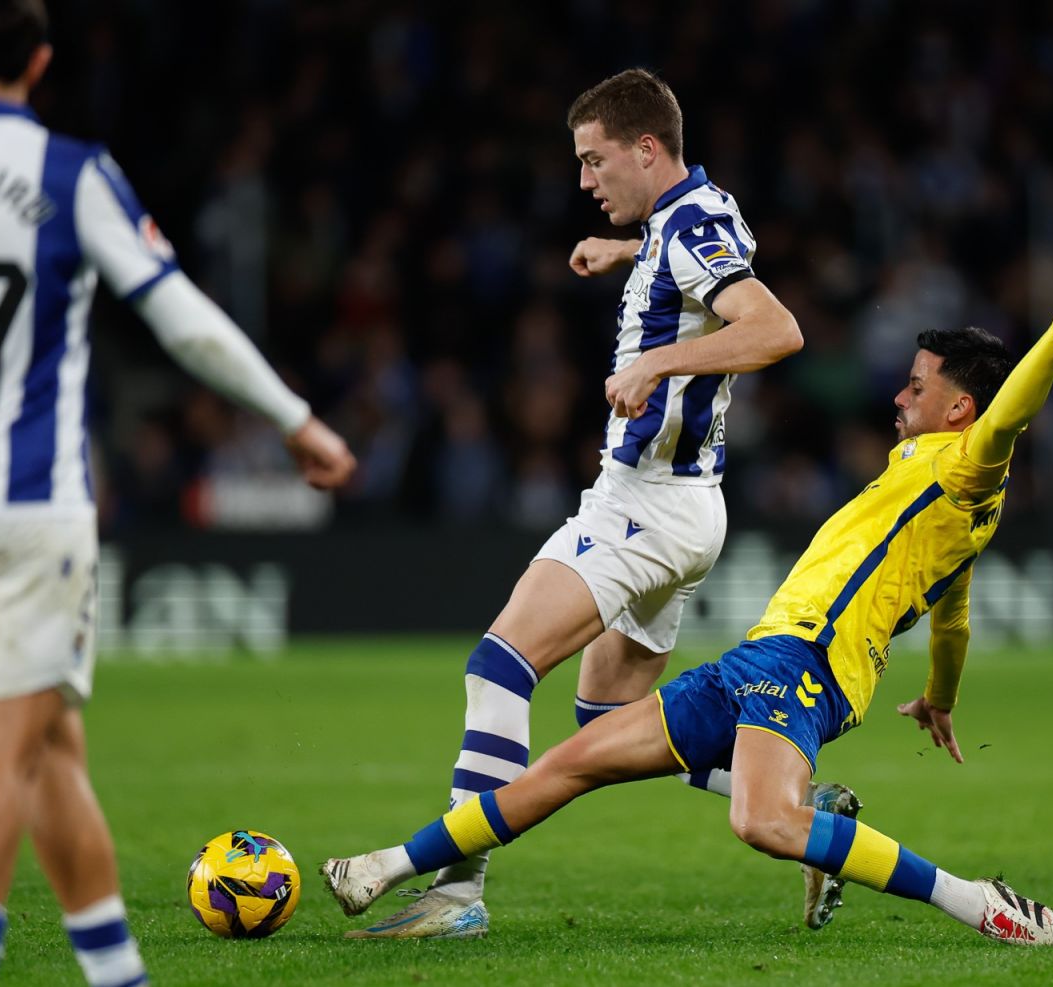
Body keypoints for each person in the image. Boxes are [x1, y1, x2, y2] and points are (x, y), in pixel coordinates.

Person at [323, 285, 1053, 947]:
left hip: (810, 666)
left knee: (762, 820)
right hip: (759, 658)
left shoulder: (971, 465)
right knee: (571, 758)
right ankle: (382, 868)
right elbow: (954, 616)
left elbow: (1010, 414)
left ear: (961, 409)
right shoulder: (933, 480)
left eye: (918, 385)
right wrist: (940, 696)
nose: (899, 394)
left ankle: (981, 903)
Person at [0, 3, 356, 985]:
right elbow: (182, 319)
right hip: (22, 505)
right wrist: (293, 417)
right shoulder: (67, 171)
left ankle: (119, 972)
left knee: (48, 742)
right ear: (40, 61)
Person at [351, 68, 827, 941]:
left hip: (644, 504)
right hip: (689, 507)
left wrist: (656, 363)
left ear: (645, 149)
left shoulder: (688, 226)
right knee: (608, 719)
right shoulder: (693, 214)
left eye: (594, 159)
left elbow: (776, 328)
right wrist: (626, 254)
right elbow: (690, 263)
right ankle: (798, 802)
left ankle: (456, 893)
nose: (583, 179)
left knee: (499, 667)